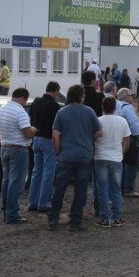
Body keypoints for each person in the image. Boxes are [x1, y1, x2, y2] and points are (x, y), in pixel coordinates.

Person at [49, 85, 102, 231]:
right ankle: (75, 221)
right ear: (80, 96)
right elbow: (99, 133)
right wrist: (86, 136)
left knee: (60, 188)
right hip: (84, 155)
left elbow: (55, 135)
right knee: (81, 189)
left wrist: (58, 151)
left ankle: (53, 219)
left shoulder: (61, 112)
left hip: (66, 155)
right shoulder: (89, 111)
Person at [0, 88, 37, 225]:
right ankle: (12, 213)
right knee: (17, 182)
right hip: (19, 150)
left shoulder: (1, 108)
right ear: (23, 98)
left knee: (6, 180)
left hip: (5, 147)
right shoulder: (20, 112)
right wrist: (34, 129)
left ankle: (6, 210)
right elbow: (28, 133)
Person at [95, 97, 131, 227]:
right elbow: (127, 141)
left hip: (100, 157)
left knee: (103, 188)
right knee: (116, 189)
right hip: (116, 157)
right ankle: (118, 217)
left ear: (102, 107)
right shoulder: (122, 121)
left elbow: (93, 139)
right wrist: (121, 152)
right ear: (115, 107)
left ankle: (105, 218)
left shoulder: (98, 121)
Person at [28, 82, 61, 213]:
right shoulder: (55, 106)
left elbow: (30, 116)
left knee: (36, 171)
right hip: (48, 140)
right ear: (56, 91)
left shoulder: (36, 101)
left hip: (35, 139)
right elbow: (57, 126)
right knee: (48, 173)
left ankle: (33, 202)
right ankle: (43, 203)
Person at [116, 88, 139, 198]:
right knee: (132, 164)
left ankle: (120, 187)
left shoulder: (116, 105)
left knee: (121, 163)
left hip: (117, 137)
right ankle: (129, 188)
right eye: (131, 95)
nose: (132, 97)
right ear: (126, 96)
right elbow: (133, 123)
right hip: (129, 138)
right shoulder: (128, 108)